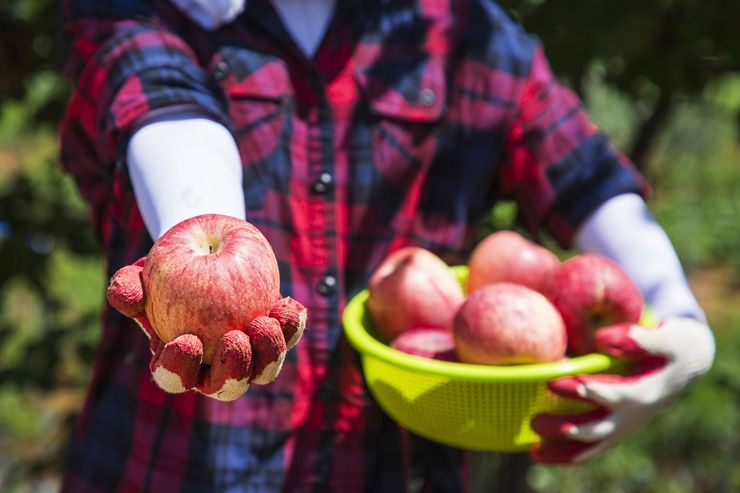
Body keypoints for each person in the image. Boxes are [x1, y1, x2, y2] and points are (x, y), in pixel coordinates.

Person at [57, 0, 715, 491]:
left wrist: (678, 318)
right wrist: (202, 243)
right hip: (174, 468)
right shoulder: (147, 9)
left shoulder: (462, 33)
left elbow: (585, 179)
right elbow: (165, 106)